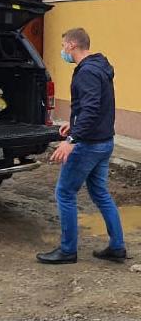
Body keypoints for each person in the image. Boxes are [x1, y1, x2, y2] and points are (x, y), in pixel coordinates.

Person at [36, 28, 126, 264]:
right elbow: (94, 107)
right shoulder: (99, 67)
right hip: (104, 141)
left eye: (63, 45)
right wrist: (73, 123)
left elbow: (91, 108)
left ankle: (67, 251)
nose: (63, 50)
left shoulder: (87, 72)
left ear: (72, 45)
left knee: (64, 193)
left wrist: (72, 140)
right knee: (100, 193)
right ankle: (117, 247)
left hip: (88, 145)